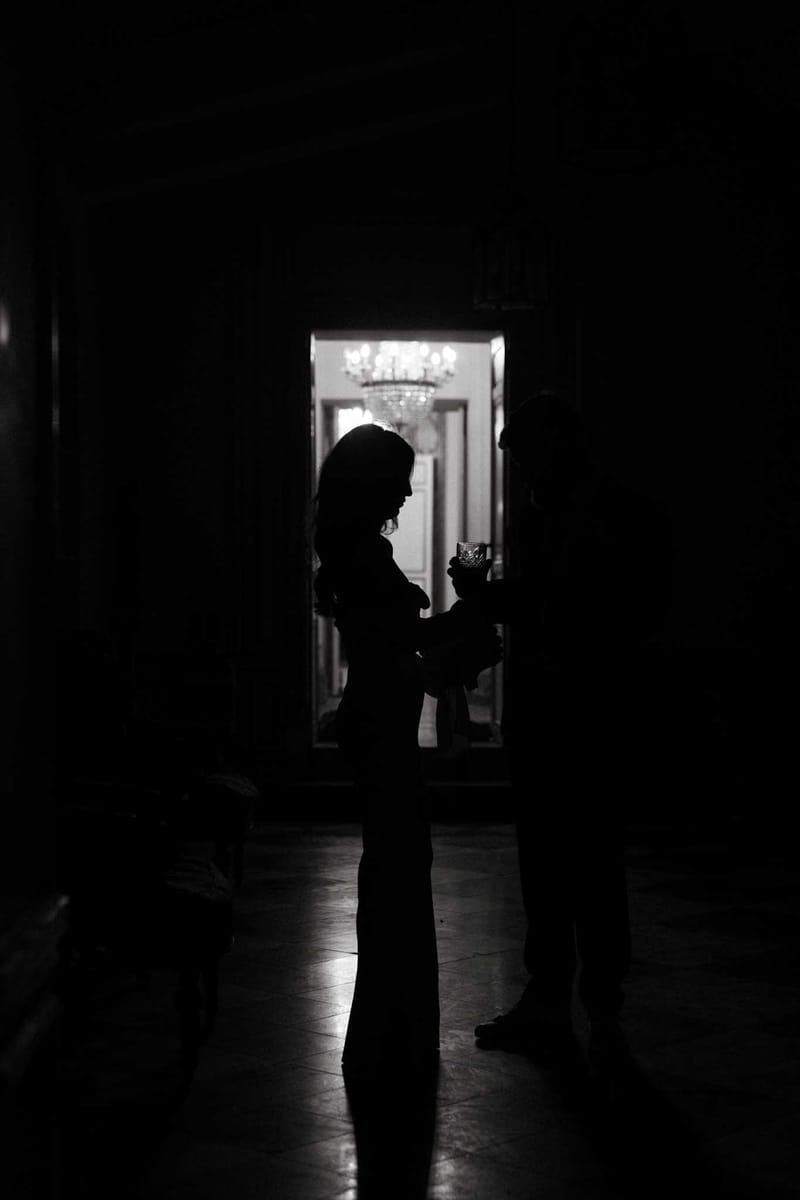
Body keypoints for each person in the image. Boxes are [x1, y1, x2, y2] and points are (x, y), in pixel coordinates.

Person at [448, 389, 670, 1070]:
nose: (520, 473)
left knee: (595, 859)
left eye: (525, 455)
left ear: (558, 445)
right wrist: (492, 598)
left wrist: (530, 604)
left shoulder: (623, 513)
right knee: (542, 860)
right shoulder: (541, 512)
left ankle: (601, 1004)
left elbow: (636, 609)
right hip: (542, 709)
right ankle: (548, 998)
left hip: (595, 709)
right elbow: (542, 596)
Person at [313, 423, 500, 1079]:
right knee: (398, 861)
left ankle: (389, 1025)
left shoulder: (352, 545)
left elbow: (398, 638)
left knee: (394, 860)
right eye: (400, 478)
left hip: (375, 711)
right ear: (374, 484)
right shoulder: (364, 550)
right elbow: (404, 634)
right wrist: (474, 607)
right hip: (377, 716)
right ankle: (392, 1029)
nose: (410, 490)